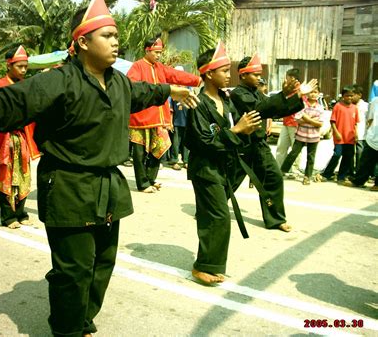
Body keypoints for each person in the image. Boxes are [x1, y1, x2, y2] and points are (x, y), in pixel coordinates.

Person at [0, 0, 199, 336]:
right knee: (73, 270)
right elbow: (13, 99)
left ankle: (82, 318)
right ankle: (67, 329)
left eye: (116, 36)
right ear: (83, 41)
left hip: (108, 188)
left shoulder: (118, 83)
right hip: (68, 186)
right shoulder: (59, 81)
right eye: (108, 36)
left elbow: (146, 93)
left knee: (102, 264)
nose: (116, 42)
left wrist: (173, 91)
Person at [185, 42, 262, 284]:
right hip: (204, 169)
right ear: (208, 73)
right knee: (217, 216)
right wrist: (237, 131)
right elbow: (204, 141)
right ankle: (203, 266)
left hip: (224, 167)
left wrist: (292, 98)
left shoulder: (227, 100)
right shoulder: (197, 104)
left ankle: (210, 263)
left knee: (214, 216)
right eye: (225, 71)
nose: (230, 75)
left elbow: (260, 109)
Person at [229, 56, 316, 233]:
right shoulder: (238, 93)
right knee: (228, 182)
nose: (259, 78)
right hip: (242, 146)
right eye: (255, 75)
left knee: (273, 178)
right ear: (243, 75)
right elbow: (260, 109)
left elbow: (276, 109)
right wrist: (285, 94)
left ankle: (275, 219)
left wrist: (297, 97)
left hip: (259, 145)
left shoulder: (257, 92)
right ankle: (210, 209)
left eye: (260, 75)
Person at [127, 38, 202, 193]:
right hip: (140, 119)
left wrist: (198, 80)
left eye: (160, 53)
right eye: (156, 52)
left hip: (159, 119)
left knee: (160, 149)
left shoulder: (160, 68)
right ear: (147, 50)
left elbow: (176, 75)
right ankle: (142, 184)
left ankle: (150, 179)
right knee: (139, 153)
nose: (159, 56)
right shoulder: (137, 66)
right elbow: (132, 87)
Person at [0, 45, 40, 229]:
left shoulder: (26, 85)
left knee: (23, 177)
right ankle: (8, 216)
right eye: (19, 66)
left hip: (22, 139)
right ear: (9, 65)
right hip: (4, 140)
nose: (23, 70)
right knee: (5, 178)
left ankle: (20, 211)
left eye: (25, 67)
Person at [281, 87, 324, 185]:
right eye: (311, 92)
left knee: (311, 157)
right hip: (301, 134)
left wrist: (306, 118)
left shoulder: (320, 107)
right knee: (293, 153)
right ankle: (282, 171)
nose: (313, 94)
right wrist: (313, 120)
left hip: (314, 136)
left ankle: (307, 176)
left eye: (315, 92)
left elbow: (320, 123)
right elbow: (297, 119)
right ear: (307, 93)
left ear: (319, 94)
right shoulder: (302, 104)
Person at [318, 86, 358, 184]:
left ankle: (341, 176)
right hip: (340, 137)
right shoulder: (338, 106)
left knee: (348, 157)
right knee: (337, 155)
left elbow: (355, 123)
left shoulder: (354, 108)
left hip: (350, 137)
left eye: (351, 96)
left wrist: (356, 134)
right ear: (343, 96)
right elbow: (333, 122)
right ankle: (326, 174)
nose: (349, 98)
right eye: (347, 96)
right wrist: (336, 133)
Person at [344, 97, 378, 191]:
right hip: (373, 137)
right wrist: (369, 133)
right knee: (365, 161)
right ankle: (358, 181)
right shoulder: (375, 101)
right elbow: (370, 119)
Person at [275, 68, 302, 177]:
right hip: (286, 122)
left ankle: (294, 170)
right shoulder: (288, 89)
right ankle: (278, 168)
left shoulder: (300, 90)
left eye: (287, 77)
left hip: (295, 124)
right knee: (281, 147)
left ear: (292, 78)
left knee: (295, 149)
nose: (285, 79)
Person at [351, 84, 368, 175]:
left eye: (353, 95)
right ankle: (350, 172)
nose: (351, 97)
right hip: (349, 133)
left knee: (359, 153)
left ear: (359, 95)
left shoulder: (366, 106)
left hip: (361, 134)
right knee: (349, 154)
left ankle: (358, 172)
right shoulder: (349, 106)